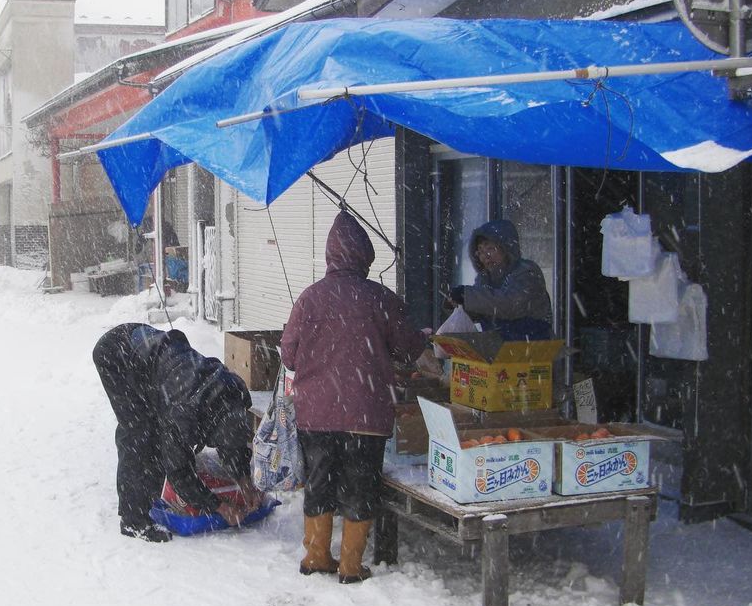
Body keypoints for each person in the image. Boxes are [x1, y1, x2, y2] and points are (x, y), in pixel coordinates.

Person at [280, 211, 433, 584]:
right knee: (360, 485)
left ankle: (316, 555)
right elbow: (410, 346)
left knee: (319, 482)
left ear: (331, 256)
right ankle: (350, 565)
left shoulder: (309, 298)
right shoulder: (380, 298)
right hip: (365, 413)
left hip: (316, 413)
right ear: (365, 256)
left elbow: (288, 354)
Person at [92, 323, 262, 542]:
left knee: (158, 431)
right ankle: (133, 521)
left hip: (152, 352)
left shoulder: (234, 396)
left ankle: (150, 492)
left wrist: (245, 483)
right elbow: (178, 469)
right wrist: (218, 507)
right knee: (140, 436)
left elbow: (233, 443)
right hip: (117, 354)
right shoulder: (185, 411)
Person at [448, 219, 554, 341]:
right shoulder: (484, 278)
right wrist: (459, 305)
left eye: (490, 249)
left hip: (532, 347)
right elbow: (483, 309)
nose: (485, 256)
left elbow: (509, 305)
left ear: (506, 248)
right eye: (480, 251)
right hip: (499, 349)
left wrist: (467, 296)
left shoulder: (527, 271)